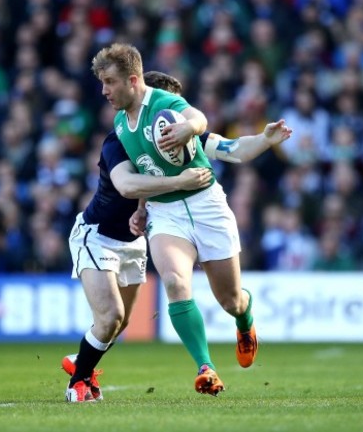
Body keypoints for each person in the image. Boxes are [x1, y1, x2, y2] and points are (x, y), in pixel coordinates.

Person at [62, 70, 291, 402]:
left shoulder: (185, 132)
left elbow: (232, 149)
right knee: (173, 282)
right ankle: (205, 367)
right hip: (150, 220)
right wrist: (155, 198)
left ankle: (244, 317)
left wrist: (266, 140)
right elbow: (133, 180)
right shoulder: (120, 139)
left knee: (230, 300)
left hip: (203, 209)